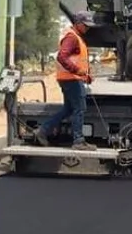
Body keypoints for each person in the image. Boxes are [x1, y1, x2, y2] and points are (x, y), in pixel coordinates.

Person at [35, 10, 97, 150]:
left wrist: (85, 75)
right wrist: (77, 71)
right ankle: (78, 141)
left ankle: (43, 130)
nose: (87, 28)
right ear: (78, 23)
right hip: (71, 79)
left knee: (69, 109)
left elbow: (77, 59)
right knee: (80, 108)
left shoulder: (76, 36)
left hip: (71, 78)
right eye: (85, 25)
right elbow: (62, 57)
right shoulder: (72, 37)